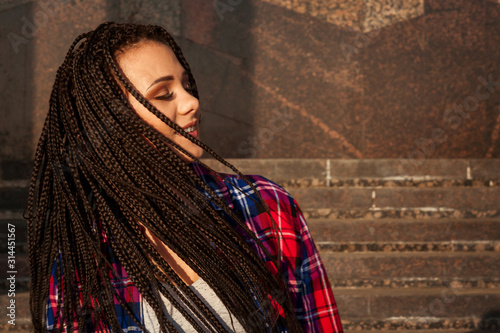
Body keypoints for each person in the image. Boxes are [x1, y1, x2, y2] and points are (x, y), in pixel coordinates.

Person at [25, 21, 343, 332]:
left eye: (186, 84)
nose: (192, 102)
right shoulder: (84, 249)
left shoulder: (265, 206)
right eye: (164, 94)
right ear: (111, 119)